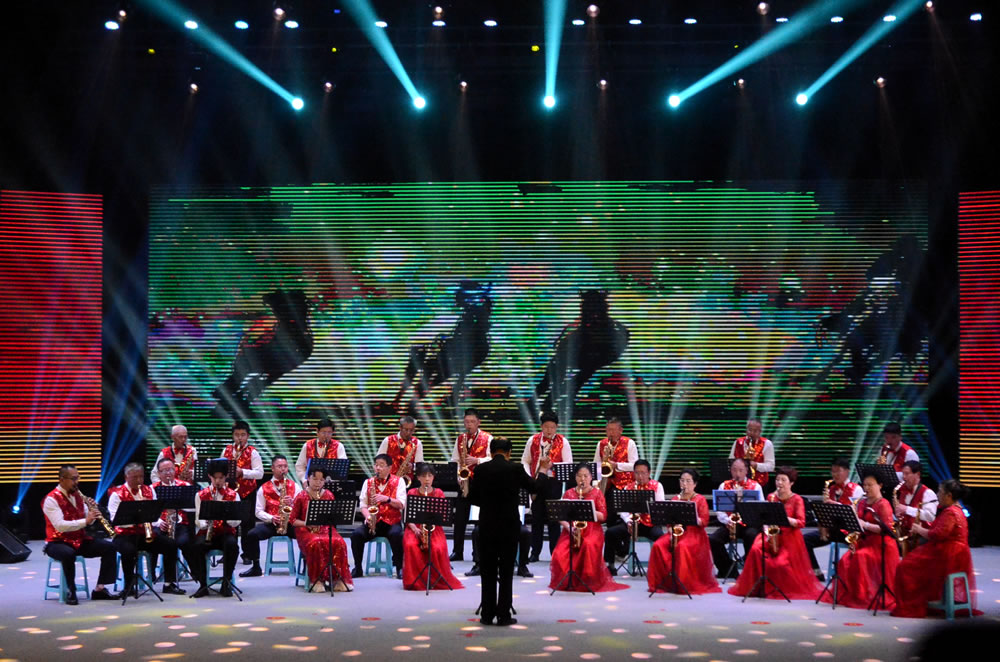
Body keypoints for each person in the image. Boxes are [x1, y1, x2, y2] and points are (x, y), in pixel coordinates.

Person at [468, 436, 550, 625]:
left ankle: (487, 614)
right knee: (506, 571)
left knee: (488, 571)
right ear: (509, 453)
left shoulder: (480, 470)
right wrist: (543, 470)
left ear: (491, 452)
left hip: (487, 526)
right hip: (509, 526)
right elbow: (535, 487)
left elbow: (473, 498)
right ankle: (503, 615)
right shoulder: (515, 469)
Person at [728, 466, 823, 600]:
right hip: (772, 534)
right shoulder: (771, 497)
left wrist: (784, 518)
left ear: (791, 483)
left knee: (779, 562)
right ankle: (758, 586)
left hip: (789, 537)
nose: (779, 483)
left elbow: (801, 522)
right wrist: (766, 529)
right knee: (755, 549)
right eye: (778, 480)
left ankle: (776, 588)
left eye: (783, 480)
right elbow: (765, 517)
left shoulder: (797, 499)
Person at [891, 479, 978, 618]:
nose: (937, 495)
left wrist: (918, 529)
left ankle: (914, 603)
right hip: (954, 553)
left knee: (905, 566)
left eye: (940, 492)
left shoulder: (950, 512)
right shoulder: (956, 510)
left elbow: (936, 534)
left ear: (949, 495)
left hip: (948, 555)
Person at [820, 471, 899, 609]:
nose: (866, 488)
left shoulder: (883, 504)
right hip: (865, 542)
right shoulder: (861, 502)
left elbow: (886, 529)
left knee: (860, 557)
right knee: (844, 560)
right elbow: (855, 524)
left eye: (870, 485)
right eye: (865, 485)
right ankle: (853, 594)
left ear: (880, 485)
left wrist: (865, 524)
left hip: (881, 544)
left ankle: (865, 596)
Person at [41, 465, 119, 604]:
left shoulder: (78, 496)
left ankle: (100, 589)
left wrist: (92, 512)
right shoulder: (51, 499)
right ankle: (71, 590)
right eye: (73, 479)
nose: (76, 482)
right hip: (56, 542)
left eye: (77, 478)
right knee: (68, 553)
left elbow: (87, 520)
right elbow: (60, 525)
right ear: (62, 479)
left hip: (78, 539)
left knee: (110, 547)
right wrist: (86, 520)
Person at [549, 462, 628, 594]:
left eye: (586, 476)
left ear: (591, 477)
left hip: (592, 529)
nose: (583, 479)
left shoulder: (597, 493)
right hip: (572, 529)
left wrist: (589, 509)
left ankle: (588, 580)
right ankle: (569, 580)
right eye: (580, 476)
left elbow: (603, 516)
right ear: (575, 477)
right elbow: (560, 516)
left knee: (588, 545)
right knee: (559, 551)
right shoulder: (568, 493)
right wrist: (569, 528)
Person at [647, 468, 720, 595]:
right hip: (676, 531)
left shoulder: (700, 499)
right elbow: (669, 521)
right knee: (658, 545)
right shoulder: (676, 498)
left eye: (688, 481)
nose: (684, 484)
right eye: (682, 481)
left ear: (695, 484)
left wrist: (693, 516)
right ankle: (664, 582)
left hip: (694, 533)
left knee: (682, 547)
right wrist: (671, 532)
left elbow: (704, 521)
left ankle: (682, 583)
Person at [108, 462, 176, 596]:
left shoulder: (149, 490)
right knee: (129, 550)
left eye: (141, 477)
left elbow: (154, 514)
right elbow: (115, 520)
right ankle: (128, 586)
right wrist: (137, 518)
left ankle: (169, 583)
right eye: (135, 477)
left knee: (171, 544)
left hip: (144, 533)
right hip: (124, 535)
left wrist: (159, 522)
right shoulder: (116, 494)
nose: (139, 480)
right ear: (126, 477)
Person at [402, 464, 464, 590]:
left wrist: (432, 525)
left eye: (430, 476)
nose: (427, 479)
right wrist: (415, 529)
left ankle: (434, 579)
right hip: (415, 527)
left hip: (433, 527)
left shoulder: (438, 493)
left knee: (437, 547)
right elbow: (407, 517)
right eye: (424, 476)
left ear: (433, 477)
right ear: (418, 478)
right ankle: (415, 580)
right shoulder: (412, 492)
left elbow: (442, 516)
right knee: (410, 545)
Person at [290, 467, 352, 592]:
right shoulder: (301, 496)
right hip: (305, 530)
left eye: (321, 480)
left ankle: (338, 579)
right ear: (308, 478)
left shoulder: (328, 495)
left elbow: (333, 517)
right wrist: (307, 523)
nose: (318, 482)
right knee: (315, 543)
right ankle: (317, 580)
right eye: (315, 479)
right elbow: (292, 520)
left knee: (339, 542)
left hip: (325, 528)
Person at [521, 411, 572, 562]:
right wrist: (529, 477)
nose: (549, 430)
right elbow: (525, 461)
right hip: (536, 481)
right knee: (536, 519)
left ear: (557, 427)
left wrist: (553, 465)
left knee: (554, 520)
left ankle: (554, 552)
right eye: (546, 427)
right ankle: (535, 552)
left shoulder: (563, 442)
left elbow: (568, 464)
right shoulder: (533, 440)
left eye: (552, 427)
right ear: (541, 426)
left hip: (553, 483)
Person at [804, 456, 863, 580]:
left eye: (838, 471)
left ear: (847, 471)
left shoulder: (857, 489)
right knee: (805, 540)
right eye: (833, 471)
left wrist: (836, 505)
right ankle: (817, 573)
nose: (834, 475)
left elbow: (858, 512)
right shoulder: (831, 489)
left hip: (850, 532)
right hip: (833, 530)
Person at [604, 459, 665, 575]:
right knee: (610, 533)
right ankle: (610, 565)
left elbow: (660, 507)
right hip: (632, 523)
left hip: (650, 524)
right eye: (637, 473)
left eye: (643, 473)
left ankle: (660, 567)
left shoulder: (657, 486)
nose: (640, 476)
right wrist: (628, 521)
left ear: (649, 473)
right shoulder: (628, 487)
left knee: (660, 537)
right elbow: (623, 510)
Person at [191, 459, 242, 598]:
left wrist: (228, 518)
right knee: (196, 547)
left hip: (226, 532)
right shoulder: (200, 495)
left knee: (232, 546)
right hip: (207, 533)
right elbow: (198, 519)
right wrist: (205, 524)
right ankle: (203, 585)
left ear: (226, 477)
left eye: (221, 478)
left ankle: (226, 582)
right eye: (215, 478)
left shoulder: (233, 495)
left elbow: (236, 521)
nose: (218, 481)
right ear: (210, 477)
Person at [240, 455, 297, 577]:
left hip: (290, 523)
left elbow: (302, 507)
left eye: (285, 466)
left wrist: (293, 503)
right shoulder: (263, 488)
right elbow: (258, 511)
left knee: (306, 532)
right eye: (279, 466)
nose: (283, 469)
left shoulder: (294, 486)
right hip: (272, 524)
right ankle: (256, 566)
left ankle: (308, 566)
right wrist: (271, 518)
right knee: (252, 534)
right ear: (272, 468)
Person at [351, 454, 407, 578]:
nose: (378, 468)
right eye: (376, 465)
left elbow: (401, 504)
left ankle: (400, 568)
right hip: (373, 522)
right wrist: (367, 517)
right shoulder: (368, 482)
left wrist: (387, 499)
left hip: (392, 522)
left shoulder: (399, 481)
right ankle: (358, 568)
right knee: (356, 535)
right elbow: (363, 505)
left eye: (381, 465)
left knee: (397, 535)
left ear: (390, 468)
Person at [449, 408, 493, 561]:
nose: (469, 425)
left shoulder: (488, 438)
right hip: (465, 482)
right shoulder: (460, 439)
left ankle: (478, 554)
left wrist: (477, 460)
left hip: (481, 483)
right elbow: (455, 460)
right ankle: (457, 551)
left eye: (472, 422)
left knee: (479, 519)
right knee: (459, 519)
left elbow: (492, 458)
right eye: (467, 422)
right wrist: (458, 476)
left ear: (478, 422)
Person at [708, 458, 763, 578]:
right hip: (730, 523)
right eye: (734, 470)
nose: (737, 473)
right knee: (713, 539)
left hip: (749, 525)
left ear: (746, 471)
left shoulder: (756, 486)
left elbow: (760, 509)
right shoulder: (724, 485)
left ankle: (750, 571)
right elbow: (719, 510)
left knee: (751, 536)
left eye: (741, 470)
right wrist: (728, 521)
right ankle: (728, 570)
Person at [150, 457, 193, 594]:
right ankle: (160, 578)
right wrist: (158, 522)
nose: (168, 473)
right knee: (165, 543)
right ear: (159, 473)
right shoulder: (152, 489)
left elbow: (193, 508)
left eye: (170, 470)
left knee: (186, 542)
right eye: (164, 471)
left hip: (180, 524)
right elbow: (148, 511)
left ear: (175, 470)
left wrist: (182, 506)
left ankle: (197, 574)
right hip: (160, 524)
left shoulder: (185, 486)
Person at [223, 420, 264, 564]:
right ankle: (229, 552)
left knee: (247, 524)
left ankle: (248, 554)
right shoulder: (227, 450)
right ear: (232, 436)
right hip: (230, 492)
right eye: (236, 435)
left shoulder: (253, 452)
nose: (239, 438)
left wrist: (243, 472)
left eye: (243, 435)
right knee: (229, 523)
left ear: (248, 436)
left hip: (247, 492)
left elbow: (259, 473)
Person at [593, 416, 639, 525]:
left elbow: (635, 465)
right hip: (607, 484)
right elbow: (596, 465)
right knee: (609, 515)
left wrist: (617, 465)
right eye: (608, 430)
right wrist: (596, 484)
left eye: (613, 430)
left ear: (620, 430)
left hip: (625, 485)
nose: (611, 433)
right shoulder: (601, 444)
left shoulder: (629, 443)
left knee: (624, 518)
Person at [893, 461, 938, 549]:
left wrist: (906, 509)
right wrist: (899, 515)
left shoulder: (927, 493)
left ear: (917, 474)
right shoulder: (903, 492)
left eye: (907, 474)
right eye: (903, 474)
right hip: (907, 535)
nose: (904, 477)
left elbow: (930, 516)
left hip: (923, 537)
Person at [295, 418, 347, 483]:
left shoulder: (339, 446)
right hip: (311, 485)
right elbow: (299, 467)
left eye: (329, 433)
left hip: (331, 484)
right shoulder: (307, 445)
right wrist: (304, 480)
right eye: (323, 432)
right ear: (317, 431)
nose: (326, 436)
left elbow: (342, 469)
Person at [377, 416, 424, 485]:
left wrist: (412, 466)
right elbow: (378, 461)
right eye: (406, 430)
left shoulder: (417, 443)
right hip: (387, 481)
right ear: (400, 428)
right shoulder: (388, 440)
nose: (408, 433)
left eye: (411, 430)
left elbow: (420, 465)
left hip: (406, 482)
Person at [729, 418, 775, 489]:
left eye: (755, 431)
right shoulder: (738, 442)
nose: (752, 433)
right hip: (739, 484)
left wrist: (756, 465)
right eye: (750, 430)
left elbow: (771, 466)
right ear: (746, 430)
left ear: (760, 431)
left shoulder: (767, 444)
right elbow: (730, 462)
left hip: (760, 485)